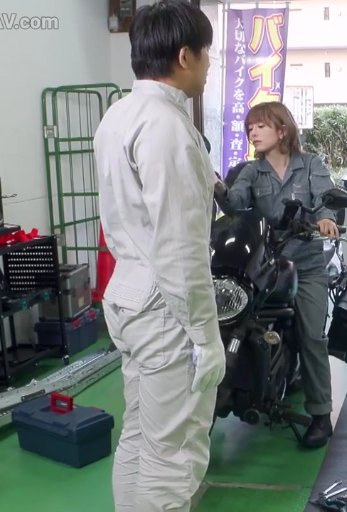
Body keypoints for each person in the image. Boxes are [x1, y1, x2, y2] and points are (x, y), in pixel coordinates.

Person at [93, 2, 223, 511]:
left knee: (141, 436)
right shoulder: (166, 125)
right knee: (174, 454)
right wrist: (206, 336)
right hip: (165, 306)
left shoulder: (118, 115)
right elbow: (180, 247)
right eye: (207, 53)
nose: (209, 64)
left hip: (127, 292)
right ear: (185, 56)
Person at [214, 101, 339, 449]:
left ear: (282, 130)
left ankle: (320, 415)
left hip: (307, 264)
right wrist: (219, 189)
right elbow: (236, 203)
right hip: (266, 265)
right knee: (231, 319)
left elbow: (324, 198)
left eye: (261, 126)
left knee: (312, 335)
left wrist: (325, 218)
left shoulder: (310, 164)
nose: (252, 132)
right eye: (249, 127)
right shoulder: (251, 172)